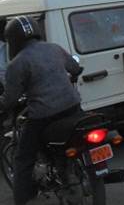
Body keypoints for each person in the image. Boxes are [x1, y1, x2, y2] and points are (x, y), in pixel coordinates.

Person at [0, 16, 82, 205]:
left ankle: (21, 200)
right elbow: (75, 68)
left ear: (13, 39)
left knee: (23, 160)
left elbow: (10, 99)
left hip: (44, 116)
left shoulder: (17, 63)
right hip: (73, 107)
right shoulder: (54, 48)